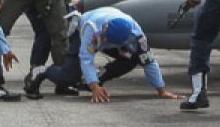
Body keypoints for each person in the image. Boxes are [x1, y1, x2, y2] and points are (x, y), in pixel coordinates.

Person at [23, 7, 180, 103]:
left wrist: (161, 90)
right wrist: (94, 86)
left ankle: (94, 79)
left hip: (113, 39)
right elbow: (86, 58)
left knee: (131, 58)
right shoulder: (93, 28)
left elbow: (148, 61)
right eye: (105, 38)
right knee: (70, 76)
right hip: (82, 31)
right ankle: (41, 71)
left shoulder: (137, 34)